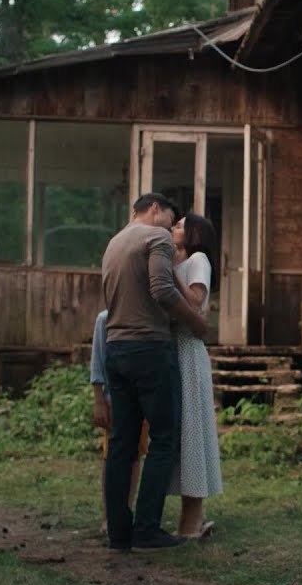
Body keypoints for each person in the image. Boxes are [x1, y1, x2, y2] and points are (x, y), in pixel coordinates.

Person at [101, 192, 209, 552]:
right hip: (149, 348)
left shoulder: (114, 243)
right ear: (153, 209)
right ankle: (146, 529)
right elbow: (161, 290)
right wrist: (197, 323)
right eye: (170, 219)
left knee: (122, 442)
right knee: (164, 439)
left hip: (116, 348)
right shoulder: (155, 237)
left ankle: (118, 533)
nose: (171, 227)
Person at [167, 214, 224, 538]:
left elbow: (196, 301)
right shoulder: (180, 263)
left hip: (188, 352)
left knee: (192, 432)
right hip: (174, 351)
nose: (173, 228)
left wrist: (170, 273)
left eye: (179, 226)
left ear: (194, 234)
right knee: (180, 434)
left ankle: (191, 520)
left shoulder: (198, 259)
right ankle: (193, 518)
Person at [89, 309, 149, 533]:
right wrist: (99, 400)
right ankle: (109, 516)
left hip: (141, 398)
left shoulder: (146, 317)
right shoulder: (105, 318)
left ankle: (127, 510)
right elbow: (97, 361)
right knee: (112, 456)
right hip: (114, 400)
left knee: (136, 455)